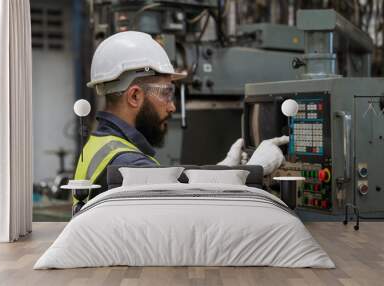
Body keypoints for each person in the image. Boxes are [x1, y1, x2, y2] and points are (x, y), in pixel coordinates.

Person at [72, 31, 288, 213]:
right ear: (135, 97)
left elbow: (177, 189)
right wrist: (252, 172)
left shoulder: (102, 144)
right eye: (167, 93)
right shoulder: (129, 162)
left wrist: (224, 171)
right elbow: (189, 212)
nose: (172, 106)